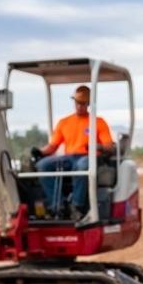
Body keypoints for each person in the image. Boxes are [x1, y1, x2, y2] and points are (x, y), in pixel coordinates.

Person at [33, 85, 114, 220]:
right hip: (69, 157)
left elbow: (109, 146)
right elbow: (52, 146)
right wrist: (40, 152)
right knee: (42, 166)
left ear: (88, 103)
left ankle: (76, 206)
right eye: (77, 103)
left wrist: (97, 146)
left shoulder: (98, 122)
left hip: (88, 157)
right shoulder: (64, 122)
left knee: (82, 166)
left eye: (82, 103)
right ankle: (57, 205)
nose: (79, 106)